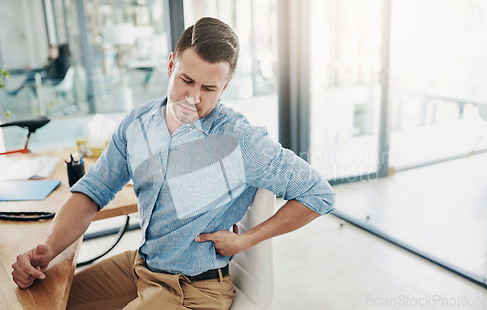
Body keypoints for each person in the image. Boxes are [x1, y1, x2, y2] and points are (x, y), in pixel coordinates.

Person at [11, 17, 335, 309]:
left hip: (194, 290)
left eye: (209, 88)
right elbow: (93, 191)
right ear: (170, 65)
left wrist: (245, 240)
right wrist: (46, 251)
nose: (193, 97)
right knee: (49, 300)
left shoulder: (240, 140)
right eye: (186, 80)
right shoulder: (136, 124)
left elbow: (319, 194)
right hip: (143, 265)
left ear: (225, 87)